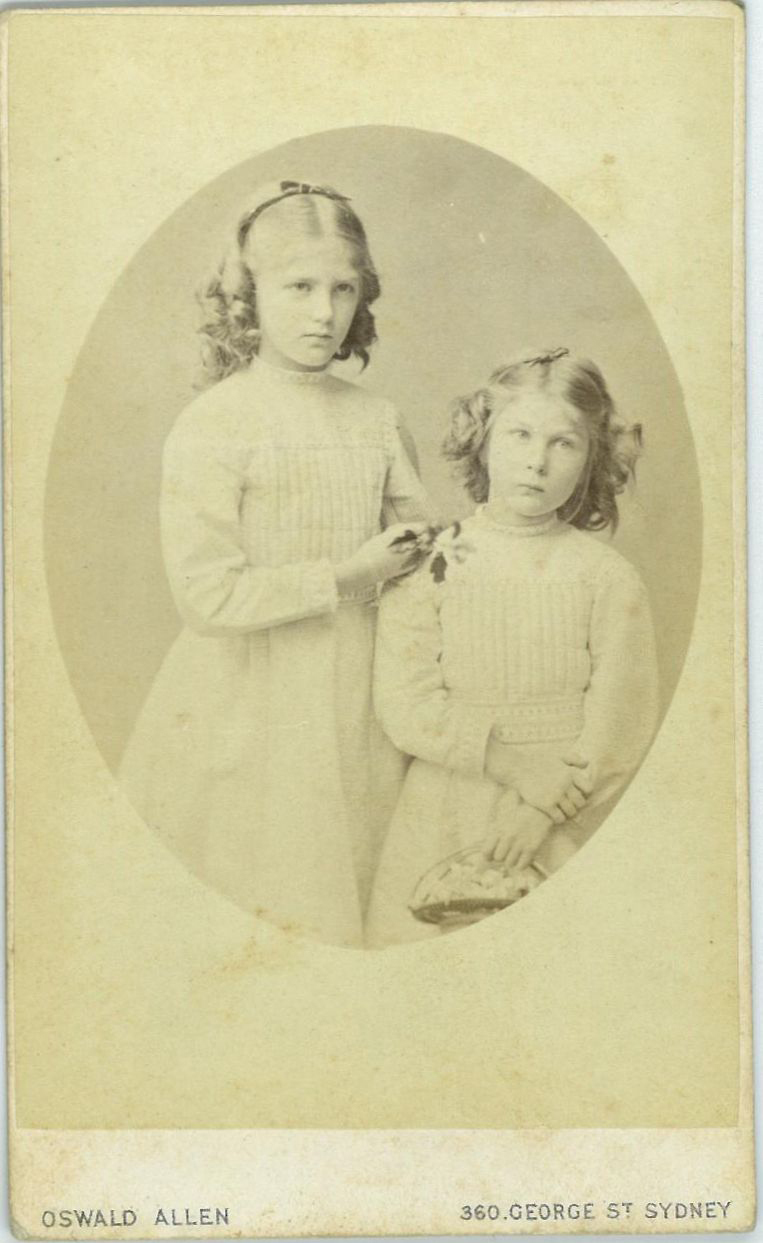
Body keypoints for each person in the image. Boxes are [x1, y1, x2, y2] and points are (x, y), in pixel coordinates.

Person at [119, 180, 435, 947]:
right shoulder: (217, 422)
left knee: (351, 905)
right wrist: (347, 577)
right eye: (299, 287)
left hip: (357, 702)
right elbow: (205, 596)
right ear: (247, 293)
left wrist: (425, 554)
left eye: (342, 288)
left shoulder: (375, 419)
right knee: (256, 912)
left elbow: (419, 552)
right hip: (247, 705)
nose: (323, 312)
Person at [367, 348, 659, 946]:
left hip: (559, 817)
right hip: (444, 808)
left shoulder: (606, 578)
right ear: (482, 440)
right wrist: (514, 767)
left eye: (563, 443)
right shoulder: (431, 563)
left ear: (592, 458)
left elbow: (620, 721)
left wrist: (542, 811)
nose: (537, 461)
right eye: (519, 435)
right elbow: (406, 704)